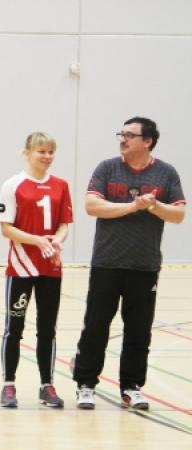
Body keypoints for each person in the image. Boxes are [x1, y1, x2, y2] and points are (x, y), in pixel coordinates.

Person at [72, 117, 185, 410]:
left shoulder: (166, 173)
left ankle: (131, 387)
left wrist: (154, 205)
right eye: (121, 134)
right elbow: (91, 205)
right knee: (95, 326)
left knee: (138, 330)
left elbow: (178, 214)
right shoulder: (107, 168)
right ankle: (85, 384)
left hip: (144, 267)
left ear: (147, 141)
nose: (122, 139)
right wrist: (132, 206)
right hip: (107, 264)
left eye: (130, 135)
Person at [0, 131, 73, 408]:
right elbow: (6, 228)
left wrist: (56, 240)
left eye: (51, 152)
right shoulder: (13, 185)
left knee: (47, 329)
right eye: (41, 151)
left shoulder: (61, 185)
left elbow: (64, 223)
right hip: (21, 267)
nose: (47, 157)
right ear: (27, 152)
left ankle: (47, 385)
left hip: (50, 268)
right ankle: (8, 385)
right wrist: (37, 240)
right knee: (13, 328)